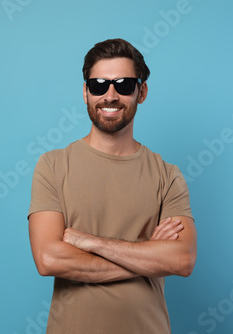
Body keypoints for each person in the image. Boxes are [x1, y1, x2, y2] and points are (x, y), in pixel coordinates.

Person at [27, 38, 197, 333]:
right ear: (85, 92)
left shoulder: (168, 175)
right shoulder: (52, 166)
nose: (110, 95)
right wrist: (150, 255)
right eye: (98, 85)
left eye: (124, 85)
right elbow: (49, 258)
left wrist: (92, 243)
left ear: (141, 92)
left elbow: (181, 260)